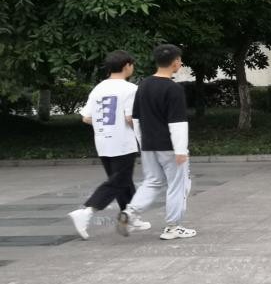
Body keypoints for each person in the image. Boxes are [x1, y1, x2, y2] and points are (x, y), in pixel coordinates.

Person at [116, 44, 197, 240]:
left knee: (152, 182)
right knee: (178, 185)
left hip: (148, 145)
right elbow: (177, 123)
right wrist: (181, 150)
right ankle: (173, 227)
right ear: (175, 62)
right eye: (180, 60)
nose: (180, 63)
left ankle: (130, 213)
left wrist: (142, 142)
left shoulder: (143, 85)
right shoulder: (174, 89)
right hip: (169, 147)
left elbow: (135, 118)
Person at [67, 51, 151, 239]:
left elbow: (86, 117)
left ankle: (130, 217)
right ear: (127, 66)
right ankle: (87, 211)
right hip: (122, 141)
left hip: (103, 141)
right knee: (119, 180)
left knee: (122, 180)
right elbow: (130, 118)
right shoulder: (130, 89)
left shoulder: (98, 88)